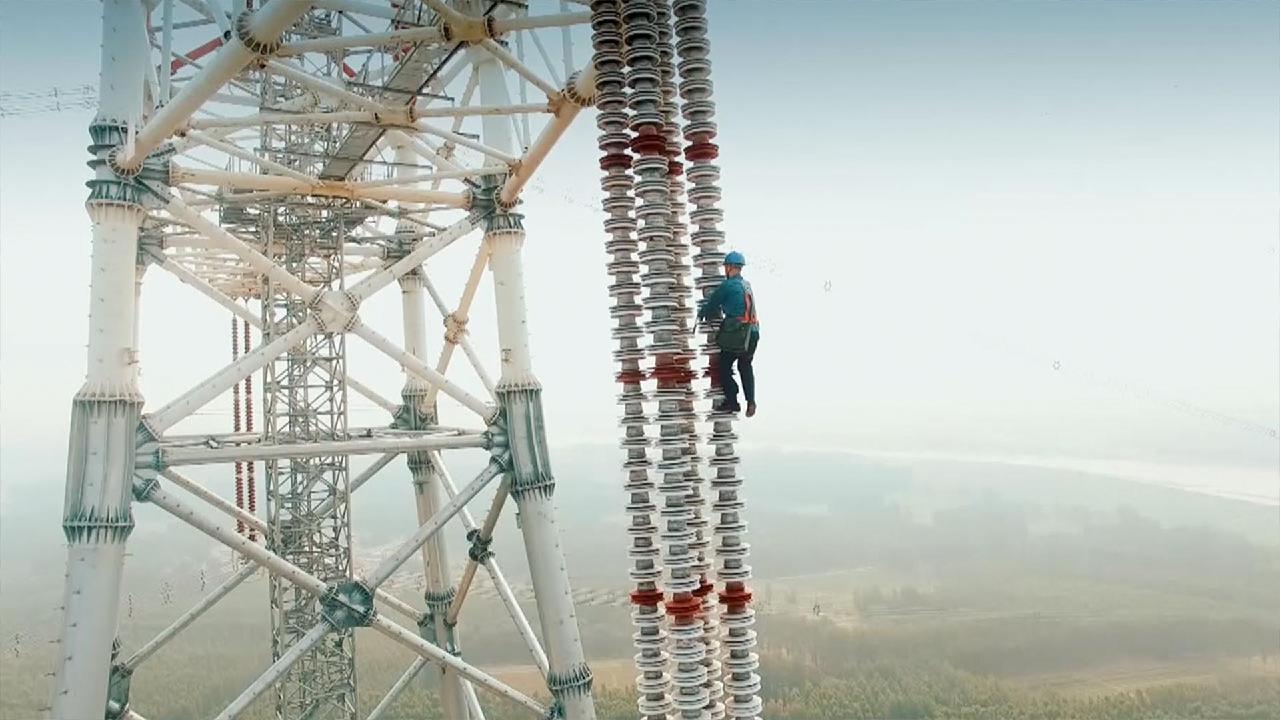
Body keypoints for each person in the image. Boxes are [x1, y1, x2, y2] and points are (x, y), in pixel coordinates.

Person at [698, 250, 760, 417]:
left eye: (726, 266)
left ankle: (732, 402)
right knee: (745, 365)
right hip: (753, 332)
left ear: (730, 268)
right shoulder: (747, 284)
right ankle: (751, 401)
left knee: (724, 366)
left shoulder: (728, 285)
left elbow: (713, 304)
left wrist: (702, 313)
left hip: (738, 333)